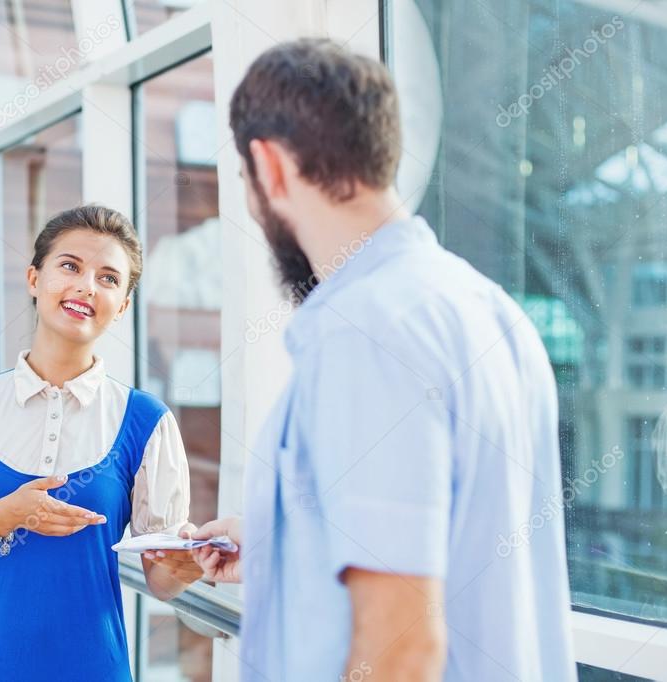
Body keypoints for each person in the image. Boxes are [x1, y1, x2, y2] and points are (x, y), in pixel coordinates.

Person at [189, 39, 577, 681]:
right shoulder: (491, 310)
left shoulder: (364, 330)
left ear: (271, 167)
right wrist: (277, 541)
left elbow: (401, 650)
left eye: (244, 182)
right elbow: (456, 539)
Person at [0, 204, 203, 681]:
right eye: (70, 266)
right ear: (33, 279)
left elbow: (161, 580)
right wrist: (1, 517)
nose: (86, 286)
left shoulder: (147, 422)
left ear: (123, 304)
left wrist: (187, 564)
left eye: (109, 278)